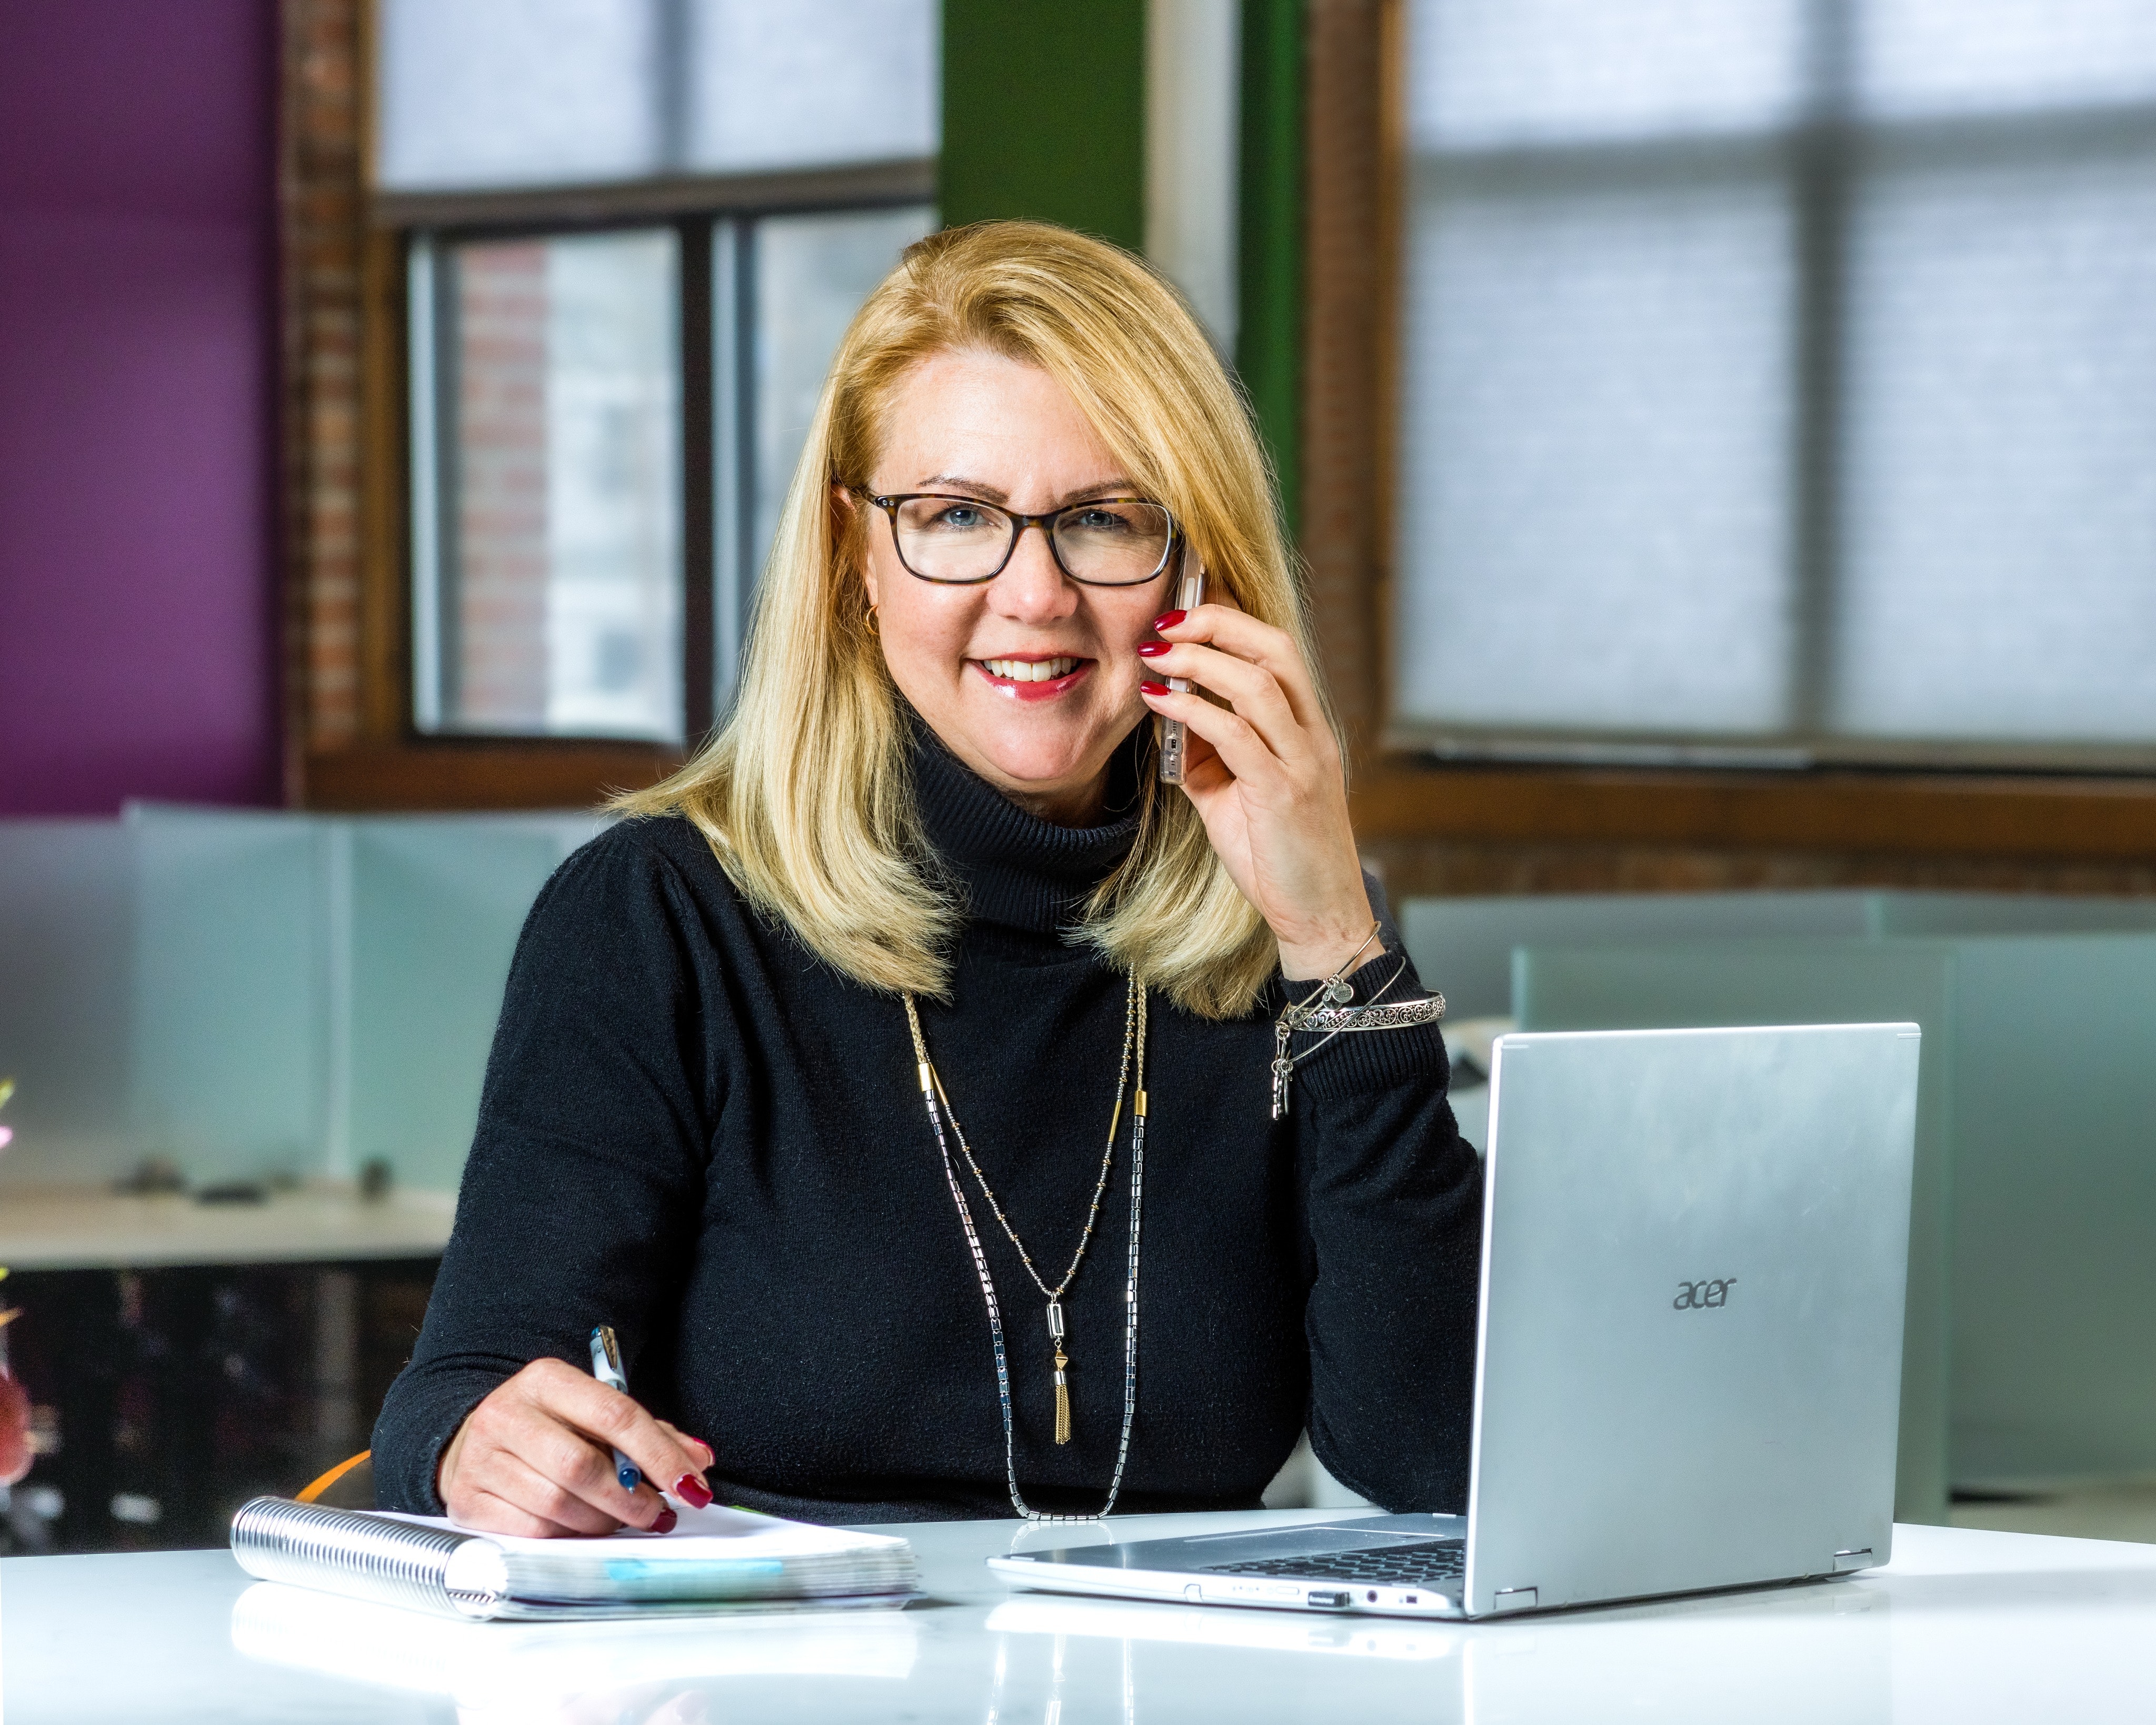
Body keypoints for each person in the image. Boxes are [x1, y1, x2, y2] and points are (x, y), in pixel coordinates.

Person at [373, 221, 1480, 1535]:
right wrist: (475, 1445)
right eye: (955, 516)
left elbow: (1433, 1456)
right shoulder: (660, 915)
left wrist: (1331, 936)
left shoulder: (1292, 939)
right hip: (780, 1677)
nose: (1035, 593)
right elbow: (462, 1396)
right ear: (855, 556)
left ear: (1198, 563)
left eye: (1103, 519)